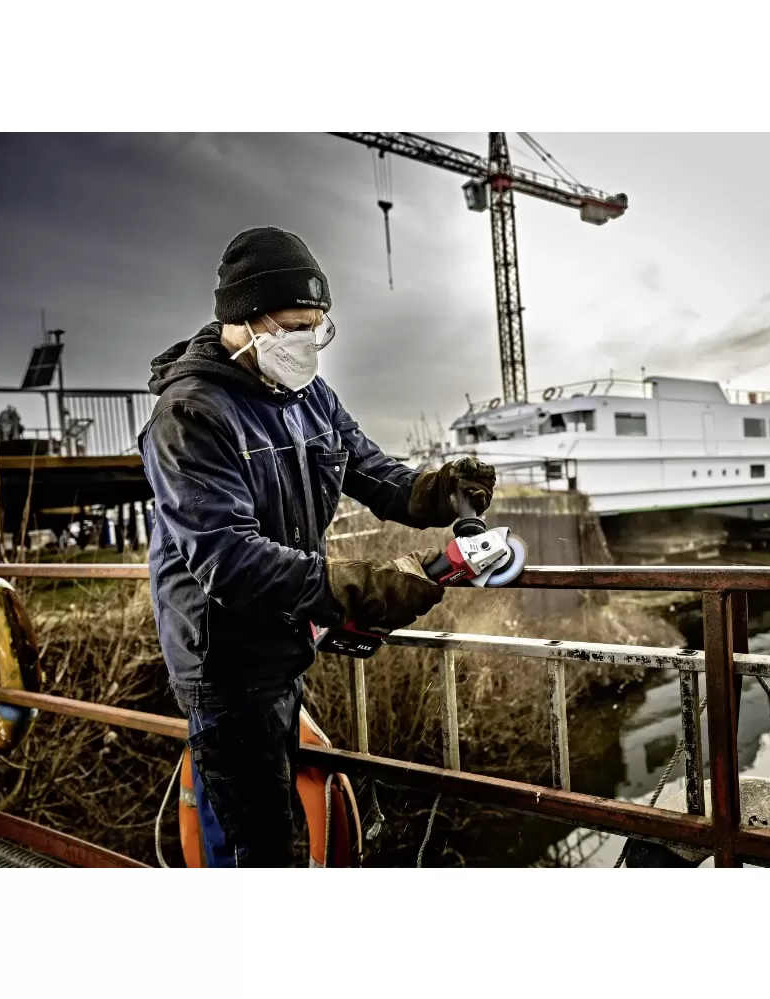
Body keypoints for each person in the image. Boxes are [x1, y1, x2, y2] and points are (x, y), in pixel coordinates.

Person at [138, 226, 495, 867]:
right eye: (295, 327)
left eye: (317, 327)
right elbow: (230, 561)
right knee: (254, 849)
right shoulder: (190, 415)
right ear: (244, 319)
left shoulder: (309, 396)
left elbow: (374, 472)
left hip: (283, 645)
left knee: (272, 824)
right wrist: (364, 585)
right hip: (224, 666)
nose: (308, 343)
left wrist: (440, 492)